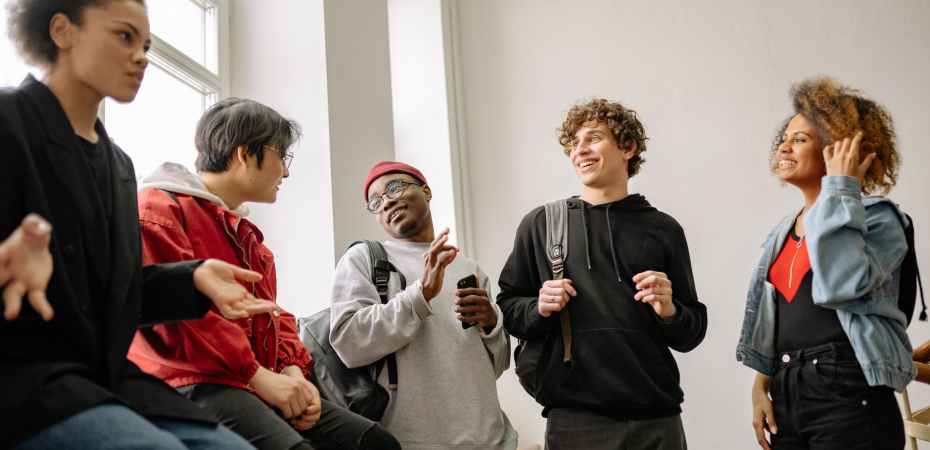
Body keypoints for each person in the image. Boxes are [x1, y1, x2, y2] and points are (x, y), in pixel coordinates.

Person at [0, 1, 276, 448]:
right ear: (62, 31)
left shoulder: (118, 165)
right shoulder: (7, 122)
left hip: (106, 382)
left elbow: (119, 295)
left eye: (146, 44)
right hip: (23, 378)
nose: (142, 56)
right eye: (124, 37)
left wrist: (194, 279)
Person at [128, 98, 400, 450]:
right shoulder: (159, 210)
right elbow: (181, 321)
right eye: (281, 157)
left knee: (376, 444)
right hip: (189, 382)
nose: (285, 173)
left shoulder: (249, 239)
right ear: (245, 153)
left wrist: (292, 375)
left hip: (248, 382)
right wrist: (260, 378)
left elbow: (272, 315)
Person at [497, 98, 707, 450]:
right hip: (574, 421)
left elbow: (691, 331)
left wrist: (670, 309)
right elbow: (509, 308)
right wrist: (539, 307)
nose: (580, 150)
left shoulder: (663, 229)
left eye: (593, 138)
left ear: (627, 147)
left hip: (656, 419)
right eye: (574, 143)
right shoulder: (541, 224)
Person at [736, 76, 913, 450]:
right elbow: (773, 321)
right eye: (784, 137)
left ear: (838, 148)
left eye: (799, 139)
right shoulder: (781, 232)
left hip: (848, 390)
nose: (783, 145)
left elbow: (840, 285)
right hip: (788, 390)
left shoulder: (879, 219)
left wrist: (841, 187)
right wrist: (760, 386)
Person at [329, 161, 518, 450]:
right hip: (414, 441)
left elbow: (496, 365)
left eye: (395, 187)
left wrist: (492, 324)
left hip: (489, 440)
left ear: (426, 191)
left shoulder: (469, 268)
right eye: (376, 201)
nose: (388, 200)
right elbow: (348, 341)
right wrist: (420, 295)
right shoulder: (363, 258)